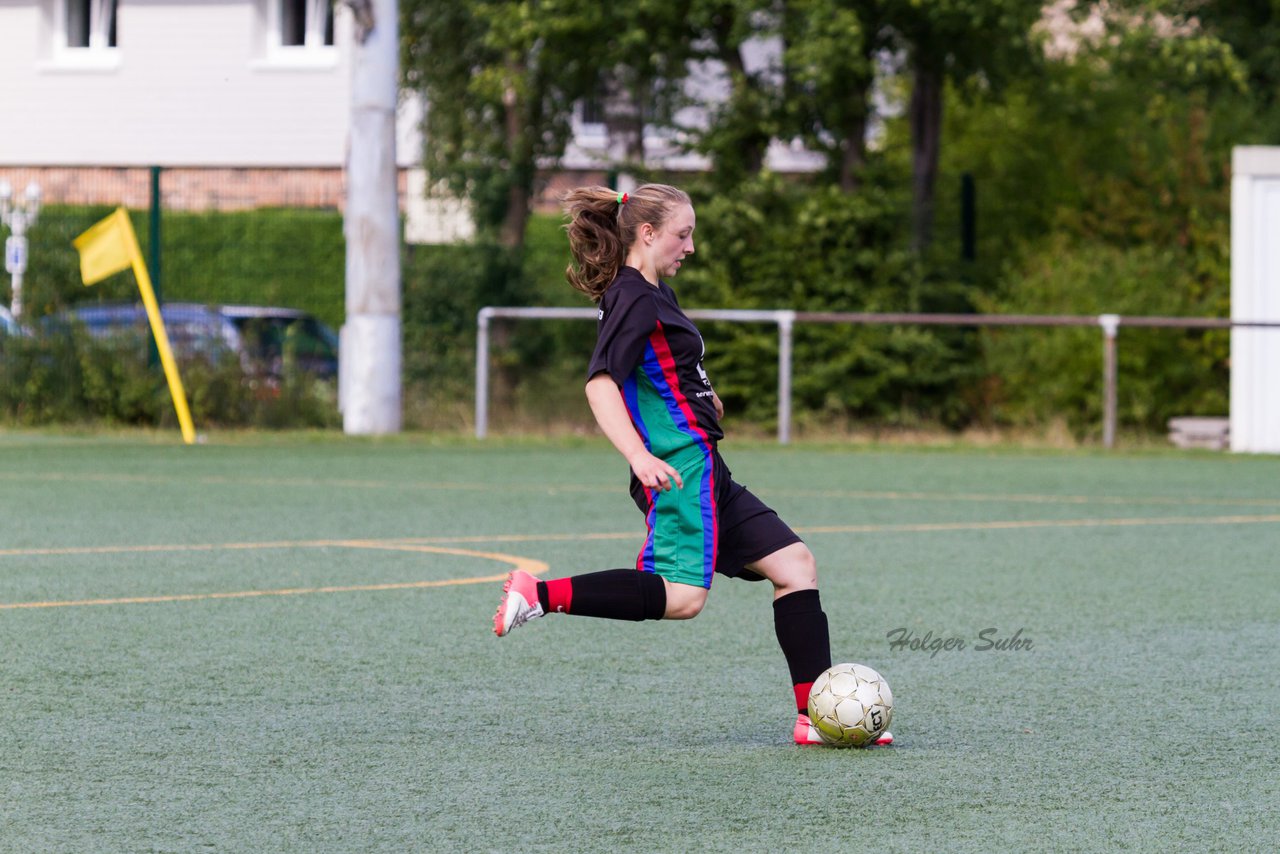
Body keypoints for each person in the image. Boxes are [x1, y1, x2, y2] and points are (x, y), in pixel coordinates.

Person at [492, 183, 890, 746]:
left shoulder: (656, 294)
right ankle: (539, 595)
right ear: (648, 233)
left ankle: (813, 718)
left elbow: (663, 373)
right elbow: (601, 385)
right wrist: (639, 454)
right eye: (684, 233)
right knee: (682, 598)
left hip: (707, 466)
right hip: (678, 471)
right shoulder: (631, 296)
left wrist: (707, 401)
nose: (692, 246)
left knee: (795, 566)